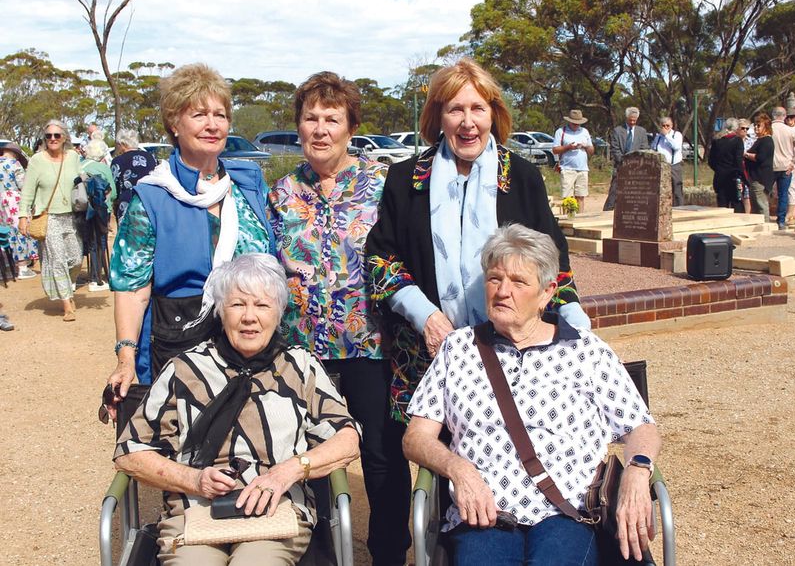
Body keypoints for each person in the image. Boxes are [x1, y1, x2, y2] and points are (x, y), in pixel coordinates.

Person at [403, 224, 661, 566]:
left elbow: (641, 427)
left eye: (518, 282)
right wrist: (458, 469)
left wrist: (637, 470)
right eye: (495, 279)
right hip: (484, 513)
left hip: (568, 512)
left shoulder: (584, 350)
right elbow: (415, 438)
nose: (502, 291)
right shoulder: (459, 348)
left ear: (547, 293)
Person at [366, 58, 589, 426]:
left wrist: (575, 323)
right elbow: (382, 260)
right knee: (437, 462)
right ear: (439, 116)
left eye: (477, 109)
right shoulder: (405, 180)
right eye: (456, 109)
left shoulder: (522, 177)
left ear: (493, 114)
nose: (468, 122)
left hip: (517, 350)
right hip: (432, 351)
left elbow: (555, 264)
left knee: (512, 455)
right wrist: (428, 318)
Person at [113, 253, 361, 566]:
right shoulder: (186, 369)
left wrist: (288, 471)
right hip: (194, 512)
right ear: (220, 310)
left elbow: (348, 438)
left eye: (262, 305)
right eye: (238, 304)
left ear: (278, 312)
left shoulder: (300, 367)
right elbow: (130, 453)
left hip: (275, 511)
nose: (249, 317)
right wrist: (196, 480)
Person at [268, 71, 409, 565]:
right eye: (311, 118)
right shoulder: (281, 193)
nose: (320, 129)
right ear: (299, 126)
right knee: (311, 452)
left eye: (332, 119)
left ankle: (390, 551)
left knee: (380, 456)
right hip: (302, 351)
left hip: (370, 346)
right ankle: (322, 550)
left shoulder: (382, 184)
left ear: (351, 127)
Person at [106, 63, 276, 416]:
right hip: (181, 345)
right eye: (198, 114)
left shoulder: (248, 182)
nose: (213, 125)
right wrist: (125, 357)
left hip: (253, 339)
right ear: (174, 123)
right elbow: (132, 287)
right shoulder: (151, 197)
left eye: (220, 114)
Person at [18, 120, 82, 321]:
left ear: (65, 137)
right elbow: (28, 191)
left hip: (71, 215)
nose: (53, 139)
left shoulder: (73, 157)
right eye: (48, 136)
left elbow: (79, 182)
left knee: (76, 258)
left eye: (57, 135)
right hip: (48, 217)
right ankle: (66, 304)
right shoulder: (37, 160)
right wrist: (22, 216)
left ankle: (66, 290)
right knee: (57, 260)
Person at [79, 137, 117, 291]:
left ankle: (90, 274)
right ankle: (97, 277)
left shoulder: (79, 166)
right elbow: (113, 192)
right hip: (101, 210)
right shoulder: (104, 168)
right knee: (100, 241)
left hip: (82, 209)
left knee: (87, 240)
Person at [0, 142, 38, 279]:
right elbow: (23, 184)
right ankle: (22, 267)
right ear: (15, 153)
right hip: (13, 201)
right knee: (19, 230)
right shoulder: (14, 164)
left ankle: (6, 267)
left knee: (3, 233)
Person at [604, 106, 649, 210]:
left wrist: (636, 164)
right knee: (614, 191)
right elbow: (615, 149)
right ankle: (608, 210)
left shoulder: (641, 131)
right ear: (626, 118)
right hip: (620, 166)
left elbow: (644, 148)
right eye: (630, 120)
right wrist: (624, 163)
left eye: (634, 120)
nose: (632, 122)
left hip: (637, 169)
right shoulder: (617, 131)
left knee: (634, 194)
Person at [551, 109, 594, 213]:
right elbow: (555, 150)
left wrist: (586, 146)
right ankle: (569, 220)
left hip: (583, 169)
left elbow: (592, 151)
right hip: (567, 168)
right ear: (569, 121)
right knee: (568, 197)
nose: (576, 125)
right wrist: (568, 147)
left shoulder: (585, 132)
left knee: (581, 196)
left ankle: (580, 219)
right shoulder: (561, 132)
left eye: (578, 123)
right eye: (574, 123)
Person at [110, 129, 157, 223]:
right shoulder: (150, 157)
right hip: (149, 202)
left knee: (126, 235)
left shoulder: (118, 161)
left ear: (123, 144)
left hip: (127, 204)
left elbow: (114, 188)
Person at [770, 106, 795, 229]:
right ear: (784, 116)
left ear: (773, 115)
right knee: (783, 194)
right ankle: (781, 220)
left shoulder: (768, 130)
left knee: (766, 192)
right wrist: (793, 162)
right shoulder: (790, 131)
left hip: (770, 167)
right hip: (786, 167)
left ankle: (764, 217)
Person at [708, 118, 744, 211]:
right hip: (733, 177)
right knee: (737, 205)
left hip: (719, 177)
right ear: (736, 128)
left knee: (722, 206)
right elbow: (738, 161)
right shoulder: (737, 141)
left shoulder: (717, 140)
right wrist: (741, 176)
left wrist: (719, 169)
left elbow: (711, 161)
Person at [743, 113, 774, 222]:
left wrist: (746, 154)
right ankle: (757, 225)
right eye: (755, 125)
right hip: (754, 177)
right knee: (755, 205)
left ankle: (765, 225)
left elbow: (760, 157)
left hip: (761, 178)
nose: (756, 127)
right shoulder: (759, 140)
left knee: (761, 204)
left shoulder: (767, 141)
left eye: (759, 125)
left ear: (766, 127)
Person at [651, 116, 684, 207]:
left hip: (674, 165)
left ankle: (679, 208)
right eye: (663, 125)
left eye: (667, 125)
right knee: (661, 189)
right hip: (661, 166)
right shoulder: (658, 137)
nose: (665, 127)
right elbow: (653, 148)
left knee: (677, 188)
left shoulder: (676, 135)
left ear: (671, 125)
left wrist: (667, 135)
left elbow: (676, 146)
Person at [784, 109, 795, 224]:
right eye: (787, 117)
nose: (789, 120)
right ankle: (792, 212)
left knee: (793, 185)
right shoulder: (785, 129)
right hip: (788, 159)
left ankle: (792, 211)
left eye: (791, 117)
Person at [736, 119, 753, 213]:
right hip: (736, 171)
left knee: (747, 195)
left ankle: (748, 215)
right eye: (743, 128)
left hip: (747, 170)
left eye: (747, 128)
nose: (745, 130)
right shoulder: (733, 141)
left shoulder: (751, 141)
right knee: (738, 195)